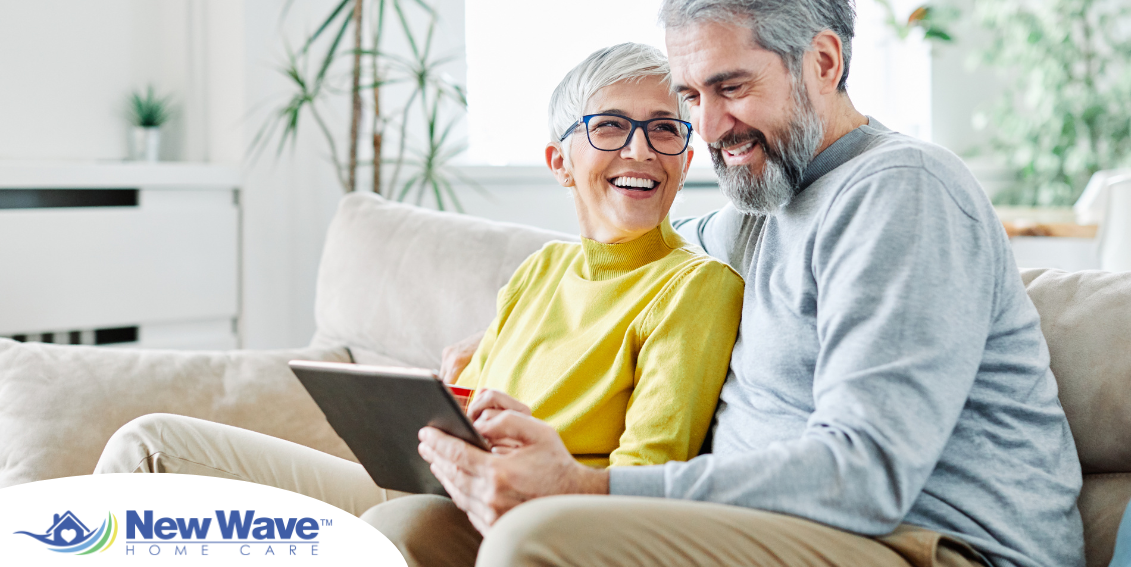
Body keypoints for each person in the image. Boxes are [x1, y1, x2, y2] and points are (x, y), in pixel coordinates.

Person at [408, 0, 1085, 567]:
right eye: (692, 97)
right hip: (790, 531)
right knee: (418, 528)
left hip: (931, 544)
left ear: (823, 62)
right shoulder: (759, 208)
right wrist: (506, 335)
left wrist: (588, 484)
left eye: (731, 88)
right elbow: (623, 264)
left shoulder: (901, 192)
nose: (706, 127)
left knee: (534, 536)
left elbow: (865, 474)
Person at [92, 43, 744, 541]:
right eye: (609, 127)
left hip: (514, 523)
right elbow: (469, 418)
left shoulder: (697, 287)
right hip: (425, 487)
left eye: (666, 129)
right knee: (149, 445)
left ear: (687, 158)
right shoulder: (543, 269)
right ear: (560, 163)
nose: (641, 150)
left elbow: (645, 483)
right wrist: (446, 394)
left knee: (402, 527)